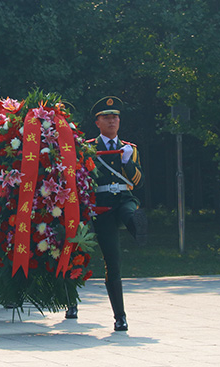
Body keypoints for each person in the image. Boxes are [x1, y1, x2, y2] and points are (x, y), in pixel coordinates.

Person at [70, 96, 146, 331]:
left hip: (124, 198)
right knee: (112, 261)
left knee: (130, 211)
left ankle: (137, 228)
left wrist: (128, 163)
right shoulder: (88, 149)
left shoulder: (129, 149)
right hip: (100, 205)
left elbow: (138, 182)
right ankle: (118, 316)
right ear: (97, 122)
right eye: (106, 117)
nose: (112, 121)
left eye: (115, 117)